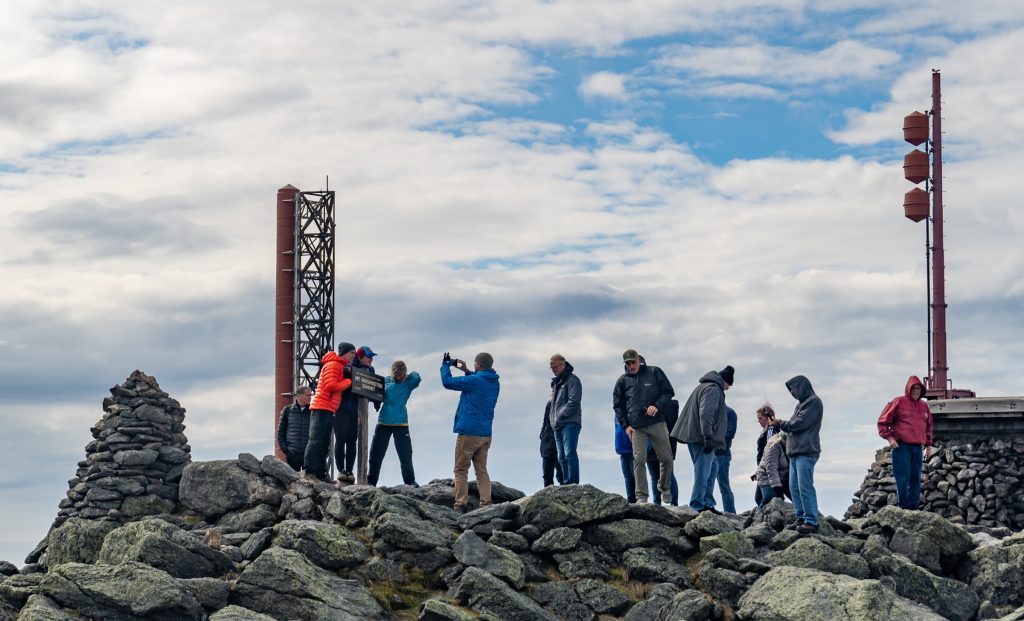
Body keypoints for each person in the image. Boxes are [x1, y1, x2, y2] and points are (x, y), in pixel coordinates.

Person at [613, 349, 675, 505]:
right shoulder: (622, 381)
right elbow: (618, 406)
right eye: (627, 363)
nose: (631, 366)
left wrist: (657, 405)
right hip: (637, 428)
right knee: (638, 460)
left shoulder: (655, 372)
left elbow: (669, 393)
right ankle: (641, 497)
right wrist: (626, 426)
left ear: (639, 360)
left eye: (633, 362)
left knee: (666, 458)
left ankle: (664, 488)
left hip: (657, 423)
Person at [442, 352, 500, 514]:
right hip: (485, 433)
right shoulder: (493, 382)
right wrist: (467, 371)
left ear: (479, 365)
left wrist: (445, 366)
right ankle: (486, 504)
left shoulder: (474, 381)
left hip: (469, 432)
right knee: (481, 469)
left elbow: (447, 382)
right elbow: (478, 381)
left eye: (475, 364)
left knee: (461, 469)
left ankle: (460, 505)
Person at [671, 365, 734, 512]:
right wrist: (708, 438)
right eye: (729, 385)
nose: (728, 388)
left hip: (696, 436)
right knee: (703, 471)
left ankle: (707, 503)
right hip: (701, 438)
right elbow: (706, 414)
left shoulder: (706, 386)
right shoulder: (713, 389)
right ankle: (697, 505)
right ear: (724, 381)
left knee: (712, 467)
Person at [877, 375, 933, 510]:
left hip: (917, 448)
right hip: (902, 446)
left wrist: (928, 445)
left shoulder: (924, 406)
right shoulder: (898, 402)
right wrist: (890, 438)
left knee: (915, 478)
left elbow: (928, 427)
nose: (916, 391)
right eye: (913, 389)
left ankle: (914, 508)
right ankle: (903, 507)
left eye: (918, 389)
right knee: (903, 478)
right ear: (908, 389)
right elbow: (882, 421)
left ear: (922, 390)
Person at [778, 375, 823, 533]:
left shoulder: (813, 402)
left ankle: (811, 520)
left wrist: (780, 424)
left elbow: (800, 424)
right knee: (795, 487)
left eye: (793, 389)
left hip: (806, 452)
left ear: (802, 387)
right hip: (795, 454)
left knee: (804, 486)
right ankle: (801, 517)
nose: (792, 393)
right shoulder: (801, 405)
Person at [303, 345, 354, 482]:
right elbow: (330, 386)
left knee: (324, 442)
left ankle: (320, 473)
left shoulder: (338, 365)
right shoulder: (334, 365)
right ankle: (308, 471)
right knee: (316, 440)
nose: (353, 356)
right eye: (351, 353)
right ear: (344, 353)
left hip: (328, 407)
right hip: (322, 407)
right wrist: (349, 382)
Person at [367, 360, 421, 487]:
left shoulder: (408, 383)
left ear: (404, 375)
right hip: (383, 421)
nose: (398, 378)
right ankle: (371, 481)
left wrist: (406, 376)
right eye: (396, 376)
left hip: (401, 423)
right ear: (392, 374)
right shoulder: (386, 381)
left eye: (400, 376)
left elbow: (417, 377)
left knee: (405, 454)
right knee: (376, 453)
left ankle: (410, 481)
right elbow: (375, 393)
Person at [335, 345, 377, 483]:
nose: (371, 360)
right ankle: (341, 470)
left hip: (356, 412)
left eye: (372, 357)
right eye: (368, 357)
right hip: (342, 409)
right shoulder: (348, 365)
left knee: (352, 441)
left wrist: (377, 400)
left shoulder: (371, 370)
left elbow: (373, 388)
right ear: (360, 356)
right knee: (341, 439)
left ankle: (349, 471)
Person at [614, 417, 679, 504]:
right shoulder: (621, 411)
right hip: (625, 447)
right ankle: (645, 503)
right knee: (635, 476)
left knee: (665, 471)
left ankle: (672, 503)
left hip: (647, 440)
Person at [548, 354, 583, 485]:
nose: (553, 369)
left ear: (563, 364)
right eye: (551, 367)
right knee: (561, 457)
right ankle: (566, 483)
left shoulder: (573, 380)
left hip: (570, 423)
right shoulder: (557, 382)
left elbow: (574, 402)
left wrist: (559, 416)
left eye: (555, 367)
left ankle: (573, 483)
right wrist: (553, 420)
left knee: (569, 454)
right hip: (557, 425)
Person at [752, 404, 784, 505]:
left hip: (767, 470)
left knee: (762, 498)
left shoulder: (771, 431)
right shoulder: (767, 430)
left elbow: (769, 451)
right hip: (764, 469)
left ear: (767, 417)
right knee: (762, 498)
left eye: (760, 418)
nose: (759, 421)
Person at [277, 385, 312, 471]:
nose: (310, 397)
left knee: (309, 482)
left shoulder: (313, 411)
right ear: (299, 396)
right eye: (308, 395)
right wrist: (286, 450)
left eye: (310, 395)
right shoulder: (287, 410)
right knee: (293, 482)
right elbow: (280, 432)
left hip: (308, 454)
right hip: (292, 454)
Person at [710, 405, 738, 513]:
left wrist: (712, 437)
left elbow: (730, 434)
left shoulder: (730, 413)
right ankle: (706, 507)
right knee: (708, 484)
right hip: (710, 453)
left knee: (724, 486)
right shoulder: (711, 411)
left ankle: (730, 513)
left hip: (722, 453)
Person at [754, 431, 789, 506]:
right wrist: (778, 489)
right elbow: (771, 469)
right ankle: (758, 515)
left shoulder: (792, 445)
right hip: (765, 475)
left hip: (783, 477)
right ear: (783, 439)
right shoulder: (773, 445)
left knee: (797, 498)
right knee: (769, 499)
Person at [540, 405, 565, 487]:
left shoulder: (562, 402)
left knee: (561, 474)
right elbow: (545, 421)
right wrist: (542, 434)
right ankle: (547, 496)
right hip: (547, 442)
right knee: (547, 475)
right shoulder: (549, 403)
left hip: (559, 442)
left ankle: (565, 493)